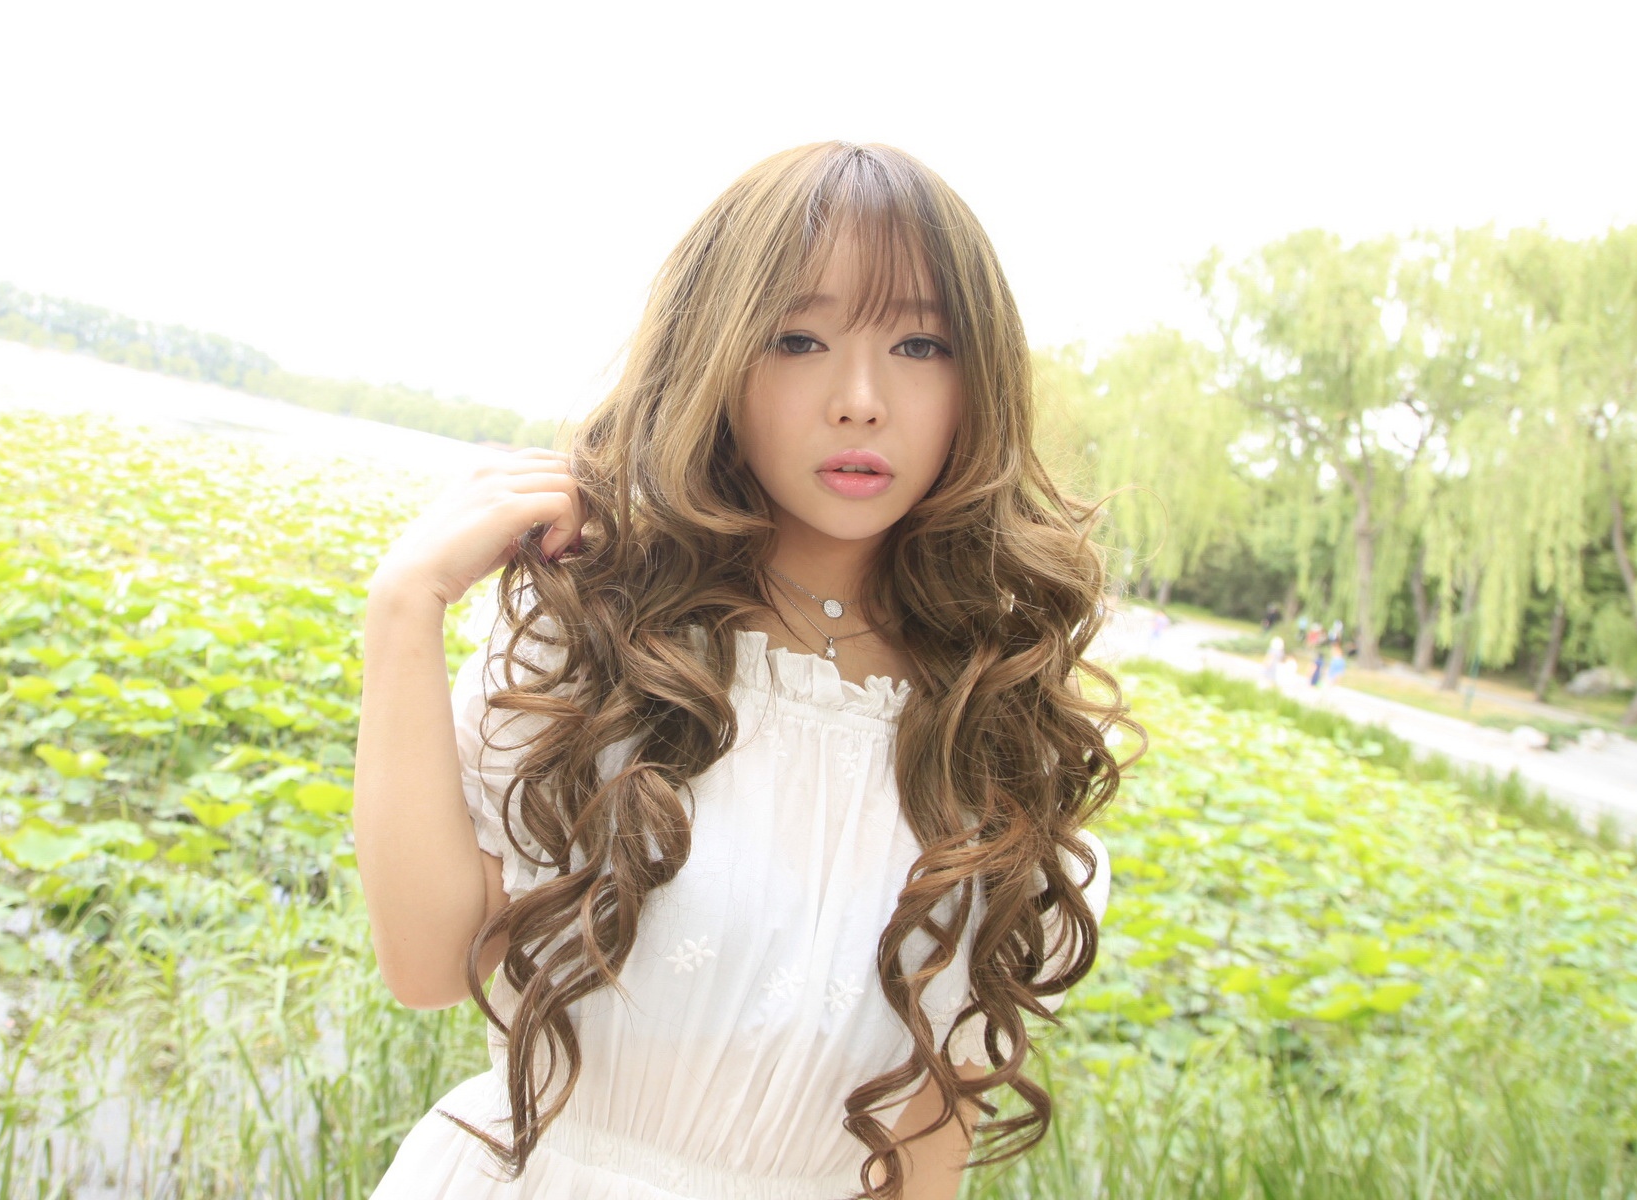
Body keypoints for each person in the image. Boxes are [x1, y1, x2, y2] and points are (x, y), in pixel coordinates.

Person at [355, 141, 1135, 1200]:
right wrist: (405, 610)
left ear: (979, 379)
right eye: (799, 339)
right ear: (717, 354)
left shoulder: (992, 718)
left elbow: (928, 1144)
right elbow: (427, 962)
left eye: (920, 344)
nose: (861, 399)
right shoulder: (602, 633)